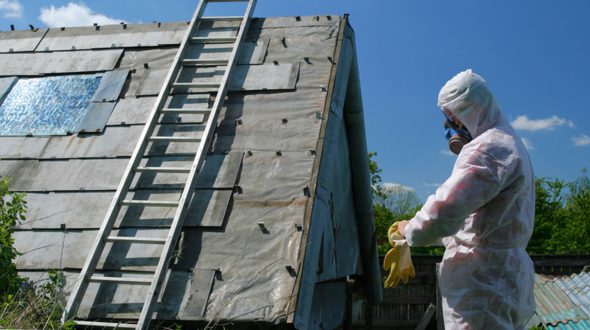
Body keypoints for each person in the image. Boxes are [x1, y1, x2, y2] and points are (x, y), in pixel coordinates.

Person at [397, 69, 536, 329]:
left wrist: (409, 230)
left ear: (471, 109)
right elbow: (476, 226)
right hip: (502, 278)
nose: (452, 127)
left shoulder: (486, 149)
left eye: (453, 117)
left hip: (481, 285)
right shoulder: (509, 142)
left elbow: (442, 214)